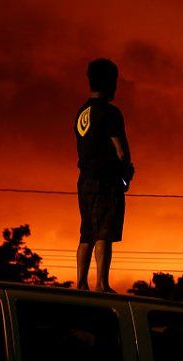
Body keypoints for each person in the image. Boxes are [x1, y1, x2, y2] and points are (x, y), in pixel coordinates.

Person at [74, 58, 134, 292]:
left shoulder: (82, 113)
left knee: (87, 229)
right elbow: (121, 150)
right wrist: (126, 174)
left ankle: (80, 283)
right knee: (105, 231)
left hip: (85, 179)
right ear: (111, 82)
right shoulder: (110, 113)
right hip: (106, 180)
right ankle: (101, 283)